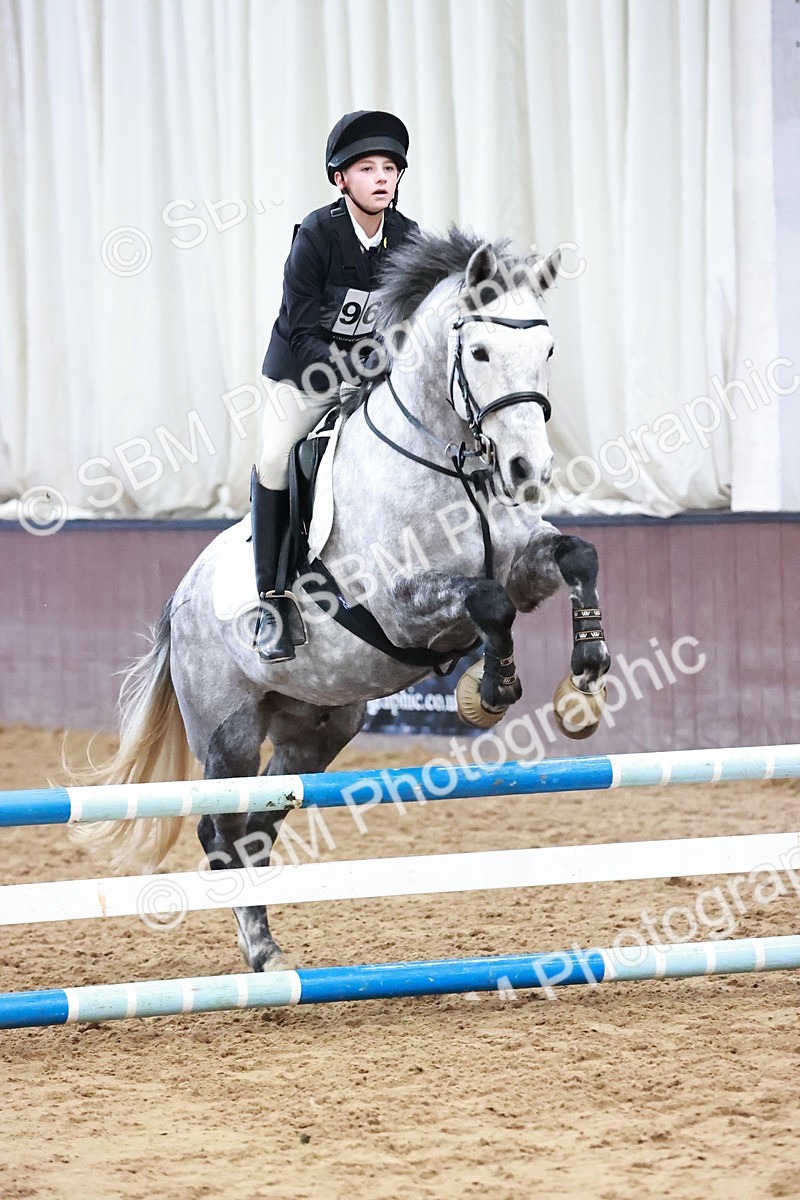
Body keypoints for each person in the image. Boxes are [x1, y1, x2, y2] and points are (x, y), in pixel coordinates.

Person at [252, 110, 419, 662]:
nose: (380, 178)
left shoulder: (408, 238)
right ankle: (272, 600)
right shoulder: (317, 235)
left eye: (389, 168)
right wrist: (342, 375)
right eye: (366, 168)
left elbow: (409, 324)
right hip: (305, 374)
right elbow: (301, 329)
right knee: (275, 458)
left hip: (372, 374)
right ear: (339, 179)